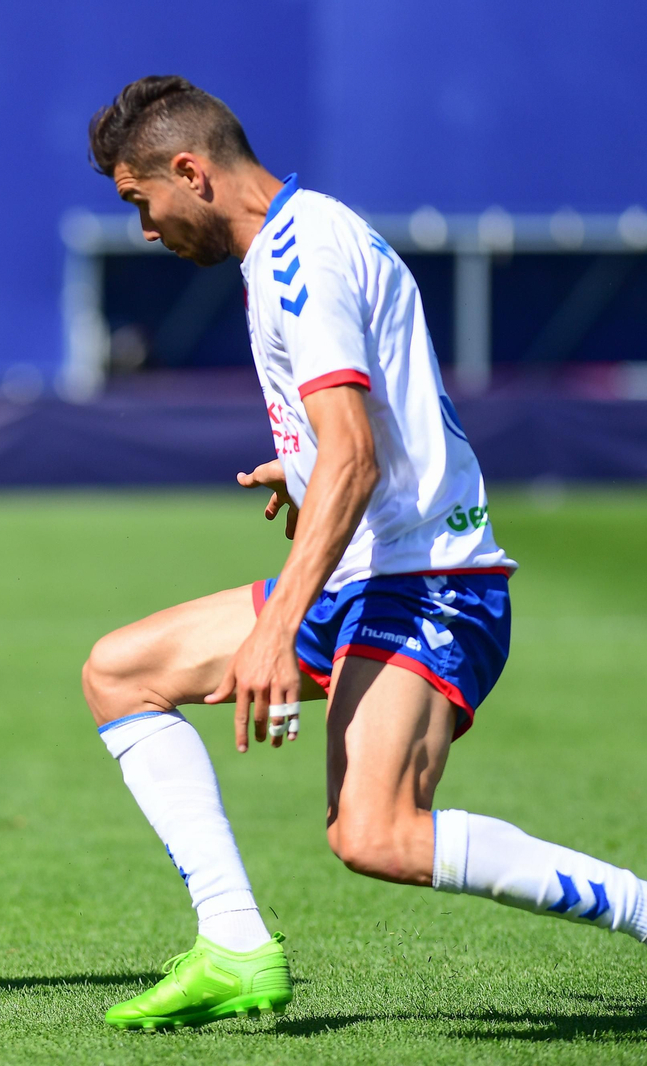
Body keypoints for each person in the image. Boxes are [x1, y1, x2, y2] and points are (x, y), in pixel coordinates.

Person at [79, 76, 646, 1030]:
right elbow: (345, 440)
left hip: (431, 583)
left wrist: (280, 622)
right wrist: (298, 467)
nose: (145, 227)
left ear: (191, 172)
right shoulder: (290, 246)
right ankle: (235, 945)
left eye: (142, 202)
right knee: (118, 672)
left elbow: (356, 451)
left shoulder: (301, 257)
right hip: (368, 572)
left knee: (377, 835)